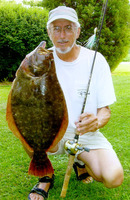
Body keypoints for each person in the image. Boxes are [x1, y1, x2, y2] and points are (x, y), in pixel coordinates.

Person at [28, 6, 124, 200]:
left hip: (85, 133)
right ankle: (46, 176)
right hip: (49, 131)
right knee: (28, 131)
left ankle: (80, 161)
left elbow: (105, 110)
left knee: (113, 177)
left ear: (78, 31)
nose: (62, 35)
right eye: (56, 28)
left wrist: (96, 121)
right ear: (49, 32)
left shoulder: (97, 61)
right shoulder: (35, 60)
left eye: (68, 28)